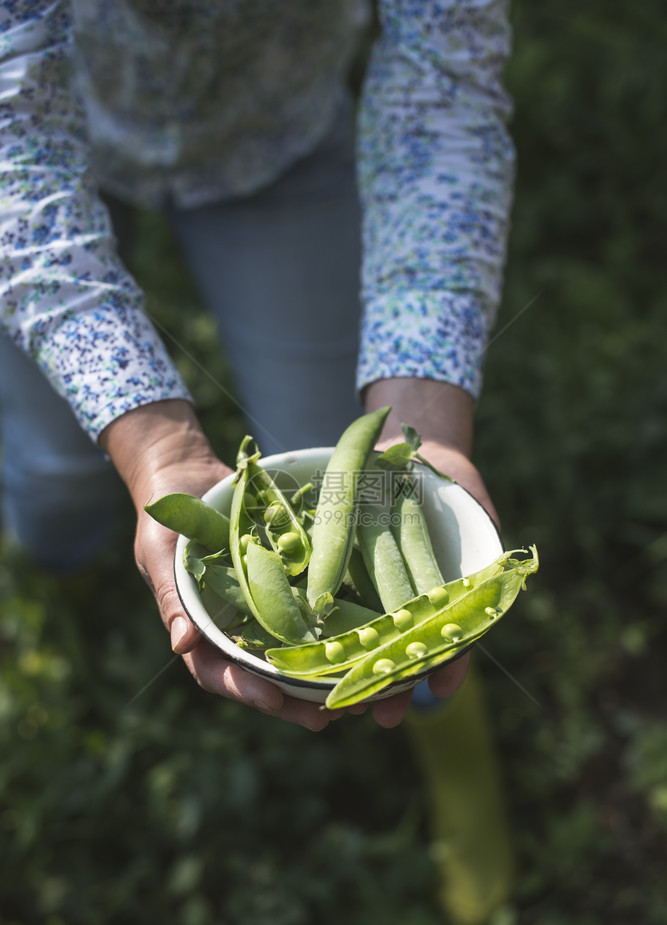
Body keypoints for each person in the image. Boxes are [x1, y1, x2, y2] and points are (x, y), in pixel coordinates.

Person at [0, 1, 514, 734]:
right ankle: (60, 580)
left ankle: (418, 690)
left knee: (352, 472)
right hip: (53, 139)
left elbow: (446, 93)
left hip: (277, 139)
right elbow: (15, 148)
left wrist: (424, 411)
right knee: (56, 468)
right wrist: (155, 446)